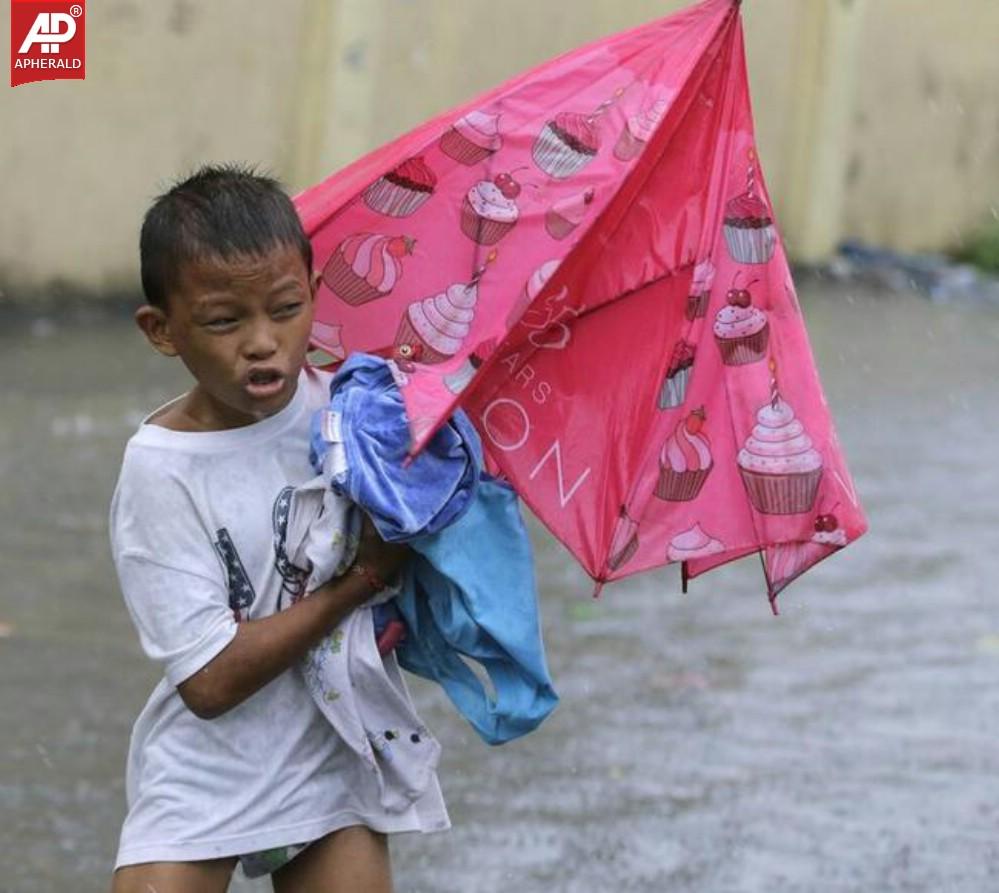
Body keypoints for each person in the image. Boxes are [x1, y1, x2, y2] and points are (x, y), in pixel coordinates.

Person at [108, 163, 448, 893]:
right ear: (161, 329)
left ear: (315, 296)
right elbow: (208, 680)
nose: (263, 342)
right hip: (208, 769)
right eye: (225, 321)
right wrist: (361, 579)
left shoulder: (354, 417)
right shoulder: (161, 469)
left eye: (286, 308)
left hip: (332, 753)